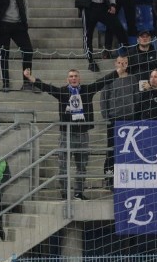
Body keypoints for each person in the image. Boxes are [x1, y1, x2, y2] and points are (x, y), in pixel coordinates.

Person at [24, 68, 114, 200]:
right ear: (67, 79)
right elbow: (47, 88)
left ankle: (78, 193)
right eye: (71, 76)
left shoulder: (87, 90)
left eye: (76, 76)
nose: (73, 78)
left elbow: (102, 82)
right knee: (63, 166)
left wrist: (118, 71)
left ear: (79, 79)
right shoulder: (63, 92)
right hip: (66, 135)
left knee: (82, 166)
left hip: (83, 134)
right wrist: (31, 78)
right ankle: (65, 193)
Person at [75, 0, 127, 73]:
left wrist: (112, 4)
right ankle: (90, 61)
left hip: (103, 6)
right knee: (87, 35)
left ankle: (129, 55)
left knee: (119, 28)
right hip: (89, 6)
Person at [0, 0, 35, 91]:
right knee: (4, 54)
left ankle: (27, 82)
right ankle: (6, 83)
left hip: (19, 24)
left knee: (28, 51)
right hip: (3, 25)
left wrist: (26, 20)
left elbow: (24, 3)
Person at [100, 54, 138, 180]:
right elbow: (104, 98)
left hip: (129, 119)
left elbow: (136, 97)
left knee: (128, 149)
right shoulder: (110, 79)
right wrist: (106, 116)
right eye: (120, 63)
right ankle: (109, 175)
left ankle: (127, 176)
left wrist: (134, 113)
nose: (122, 65)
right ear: (115, 64)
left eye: (125, 63)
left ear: (127, 64)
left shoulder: (133, 79)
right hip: (114, 119)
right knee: (111, 148)